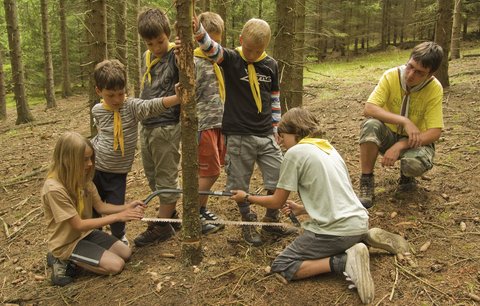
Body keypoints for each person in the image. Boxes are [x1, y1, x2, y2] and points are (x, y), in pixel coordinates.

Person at [231, 108, 410, 304]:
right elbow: (337, 195)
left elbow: (277, 201)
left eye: (281, 136)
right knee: (343, 235)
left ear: (296, 132)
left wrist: (246, 197)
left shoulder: (295, 153)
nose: (279, 141)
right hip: (358, 220)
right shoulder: (328, 149)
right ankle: (362, 238)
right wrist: (302, 209)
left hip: (335, 231)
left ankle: (344, 261)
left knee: (283, 265)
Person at [193, 16, 295, 246]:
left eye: (257, 51)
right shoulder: (231, 59)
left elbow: (274, 97)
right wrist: (198, 30)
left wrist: (276, 126)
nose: (251, 54)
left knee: (278, 176)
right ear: (241, 40)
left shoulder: (270, 65)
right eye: (248, 49)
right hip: (238, 134)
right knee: (239, 182)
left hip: (266, 134)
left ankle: (271, 221)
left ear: (265, 47)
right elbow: (210, 48)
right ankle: (247, 222)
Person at [91, 59, 180, 245]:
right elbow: (100, 135)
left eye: (121, 94)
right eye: (110, 95)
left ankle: (118, 236)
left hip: (118, 172)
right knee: (93, 206)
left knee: (117, 205)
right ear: (98, 91)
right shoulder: (97, 110)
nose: (116, 100)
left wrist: (177, 99)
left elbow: (152, 105)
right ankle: (94, 237)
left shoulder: (131, 107)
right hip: (96, 169)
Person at [41, 132, 146, 287]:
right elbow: (78, 224)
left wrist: (127, 207)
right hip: (67, 243)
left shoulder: (82, 178)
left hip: (87, 234)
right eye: (84, 159)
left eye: (90, 158)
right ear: (67, 159)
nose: (90, 164)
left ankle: (81, 256)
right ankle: (61, 258)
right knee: (115, 265)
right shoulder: (54, 189)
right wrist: (118, 217)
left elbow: (101, 206)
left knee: (126, 253)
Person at [358, 42, 444, 208]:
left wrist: (401, 145)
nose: (410, 75)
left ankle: (407, 178)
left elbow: (435, 132)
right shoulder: (391, 76)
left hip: (414, 141)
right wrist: (404, 121)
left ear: (431, 74)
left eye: (419, 72)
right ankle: (366, 181)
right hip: (388, 135)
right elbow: (369, 108)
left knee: (413, 164)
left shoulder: (434, 88)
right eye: (410, 66)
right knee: (370, 125)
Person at [133, 8, 182, 247]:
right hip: (147, 124)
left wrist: (184, 46)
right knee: (152, 175)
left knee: (165, 176)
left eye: (160, 41)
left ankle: (162, 227)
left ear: (168, 35)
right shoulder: (147, 57)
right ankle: (170, 216)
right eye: (150, 43)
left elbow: (189, 63)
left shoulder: (176, 55)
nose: (156, 47)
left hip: (167, 125)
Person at [193, 12, 227, 235]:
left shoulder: (220, 61)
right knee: (210, 171)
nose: (212, 45)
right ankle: (193, 213)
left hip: (219, 124)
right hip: (202, 125)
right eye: (209, 39)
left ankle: (201, 209)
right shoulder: (193, 62)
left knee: (212, 171)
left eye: (217, 40)